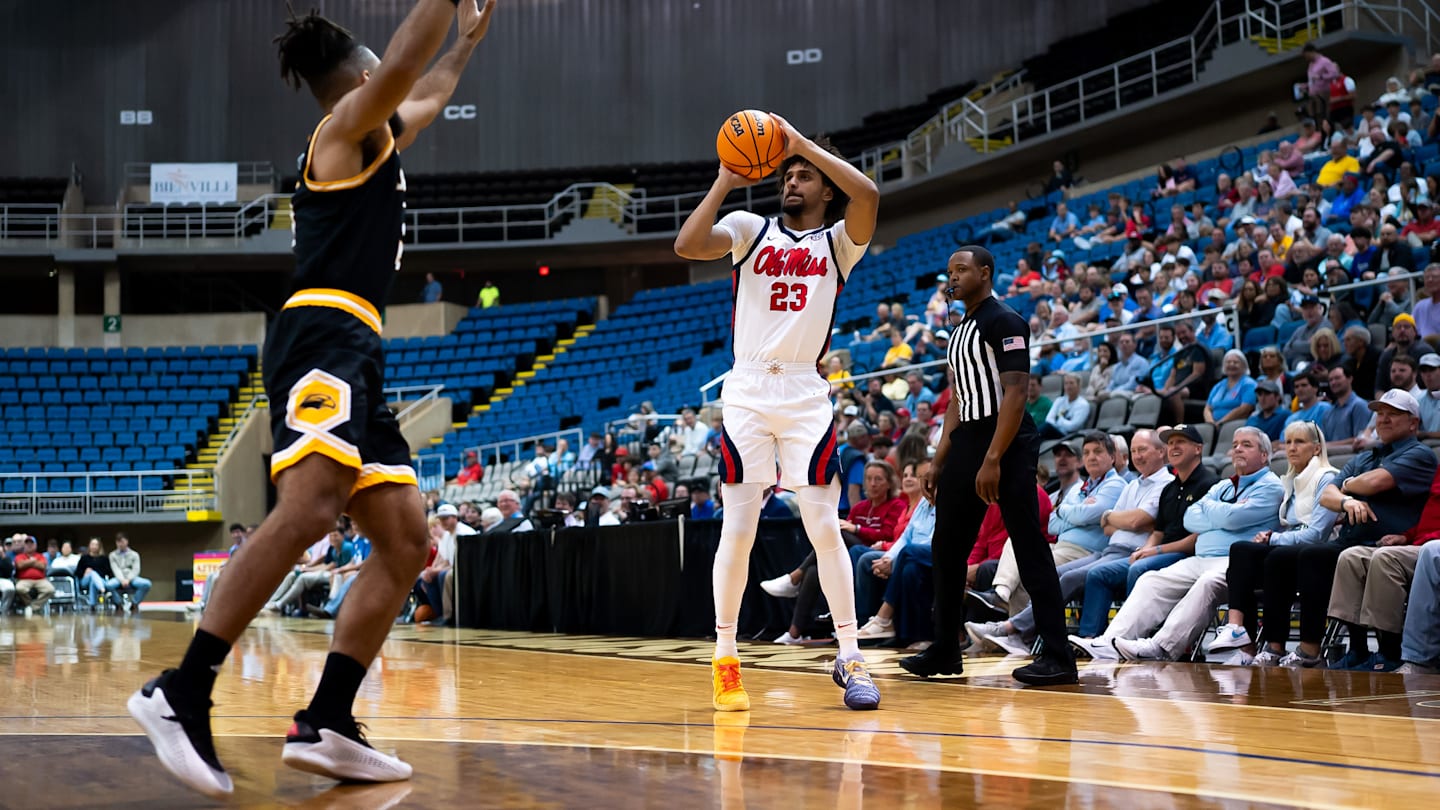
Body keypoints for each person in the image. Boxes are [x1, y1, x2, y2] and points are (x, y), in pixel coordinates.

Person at [127, 0, 501, 798]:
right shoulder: (339, 131)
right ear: (361, 79)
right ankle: (180, 691)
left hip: (359, 347)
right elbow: (405, 65)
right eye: (380, 77)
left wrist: (465, 43)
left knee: (405, 541)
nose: (394, 88)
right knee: (308, 508)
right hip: (322, 335)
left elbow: (425, 90)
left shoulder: (382, 134)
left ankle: (327, 720)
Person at [674, 110, 882, 711]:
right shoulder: (748, 227)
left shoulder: (840, 243)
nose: (792, 181)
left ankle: (850, 657)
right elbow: (687, 245)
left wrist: (802, 144)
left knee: (824, 529)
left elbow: (867, 192)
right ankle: (725, 657)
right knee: (738, 532)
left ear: (824, 186)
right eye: (786, 173)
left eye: (804, 175)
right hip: (745, 392)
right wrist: (723, 180)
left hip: (804, 395)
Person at [899, 246, 1077, 686]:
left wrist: (994, 458)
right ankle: (944, 648)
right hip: (969, 440)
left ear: (985, 272)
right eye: (949, 270)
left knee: (1029, 548)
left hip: (1008, 440)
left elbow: (1015, 393)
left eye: (961, 270)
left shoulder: (1006, 321)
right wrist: (939, 459)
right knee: (946, 547)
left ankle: (1058, 655)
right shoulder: (959, 331)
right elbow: (959, 399)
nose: (953, 277)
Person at [1073, 427, 1285, 661]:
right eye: (1235, 444)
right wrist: (1222, 514)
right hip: (1201, 559)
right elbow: (1191, 518)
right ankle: (1108, 641)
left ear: (1264, 455)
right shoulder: (1224, 485)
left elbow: (1230, 518)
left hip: (1235, 564)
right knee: (1150, 580)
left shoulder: (1271, 485)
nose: (1237, 449)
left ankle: (1161, 647)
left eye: (1246, 444)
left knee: (1206, 583)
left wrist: (1212, 513)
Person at [967, 429, 1172, 657]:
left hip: (1114, 551)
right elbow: (1072, 522)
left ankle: (1014, 629)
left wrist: (1099, 516)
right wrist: (1091, 516)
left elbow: (1134, 520)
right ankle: (1013, 623)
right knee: (1040, 565)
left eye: (1142, 449)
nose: (1137, 455)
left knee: (1057, 573)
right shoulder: (1125, 486)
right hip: (1104, 550)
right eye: (1134, 450)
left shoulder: (1128, 485)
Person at [1205, 421, 1342, 665]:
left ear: (1317, 448)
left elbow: (1317, 533)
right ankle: (1241, 638)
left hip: (1318, 553)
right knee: (1241, 551)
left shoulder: (1327, 478)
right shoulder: (1289, 480)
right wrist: (1270, 537)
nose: (1291, 448)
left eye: (1299, 442)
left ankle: (1277, 645)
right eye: (1288, 442)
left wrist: (1273, 538)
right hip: (1290, 549)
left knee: (1274, 557)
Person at [1320, 389, 1438, 670]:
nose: (1383, 419)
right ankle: (1358, 650)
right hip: (1400, 540)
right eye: (1380, 414)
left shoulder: (1421, 454)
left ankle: (1390, 653)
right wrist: (1407, 536)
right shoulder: (1368, 454)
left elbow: (1373, 484)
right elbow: (1325, 495)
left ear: (1413, 423)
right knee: (1350, 557)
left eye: (1393, 414)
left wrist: (1346, 487)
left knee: (1382, 559)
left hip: (1412, 546)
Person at [1203, 349, 1257, 426]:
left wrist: (1221, 422)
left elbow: (1245, 408)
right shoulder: (1218, 385)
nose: (1231, 364)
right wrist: (1211, 424)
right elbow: (1207, 408)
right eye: (1228, 362)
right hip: (1214, 425)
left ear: (1244, 366)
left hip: (1235, 424)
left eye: (1236, 362)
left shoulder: (1249, 384)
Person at [108, 533, 153, 609]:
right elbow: (115, 569)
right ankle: (119, 604)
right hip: (119, 578)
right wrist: (122, 580)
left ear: (126, 541)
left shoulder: (134, 554)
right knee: (109, 585)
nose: (120, 544)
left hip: (132, 578)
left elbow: (136, 569)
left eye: (122, 541)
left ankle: (134, 603)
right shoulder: (112, 555)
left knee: (147, 584)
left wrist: (128, 579)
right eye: (118, 542)